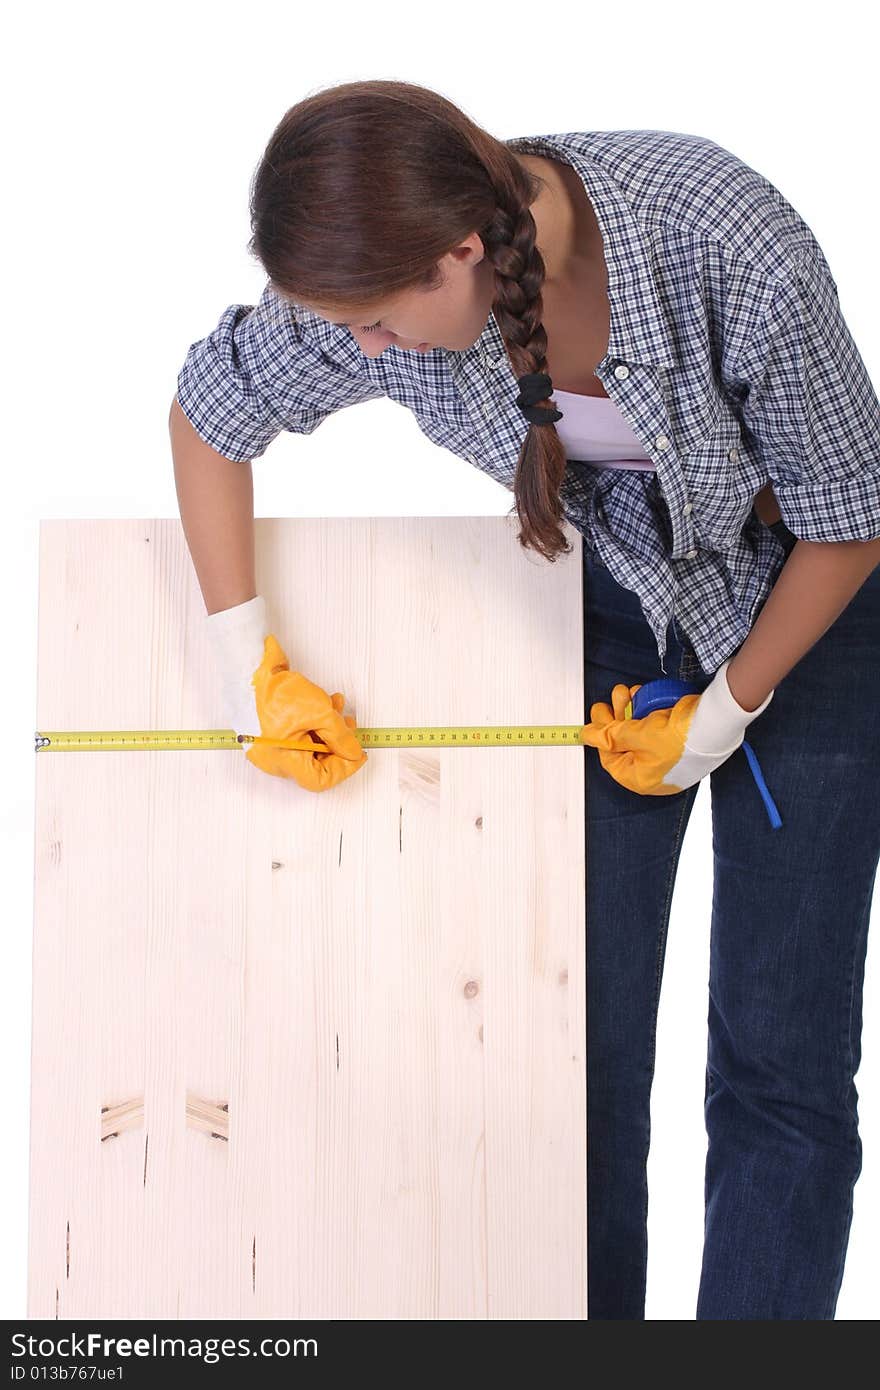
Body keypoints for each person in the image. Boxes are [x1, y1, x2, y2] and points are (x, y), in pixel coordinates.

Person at [170, 78, 880, 1318]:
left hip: (808, 605)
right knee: (579, 1053)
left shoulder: (723, 238)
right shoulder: (378, 296)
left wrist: (726, 709)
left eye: (383, 327)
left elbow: (850, 519)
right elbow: (208, 416)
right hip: (610, 592)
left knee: (779, 1063)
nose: (367, 355)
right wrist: (252, 666)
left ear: (457, 254)